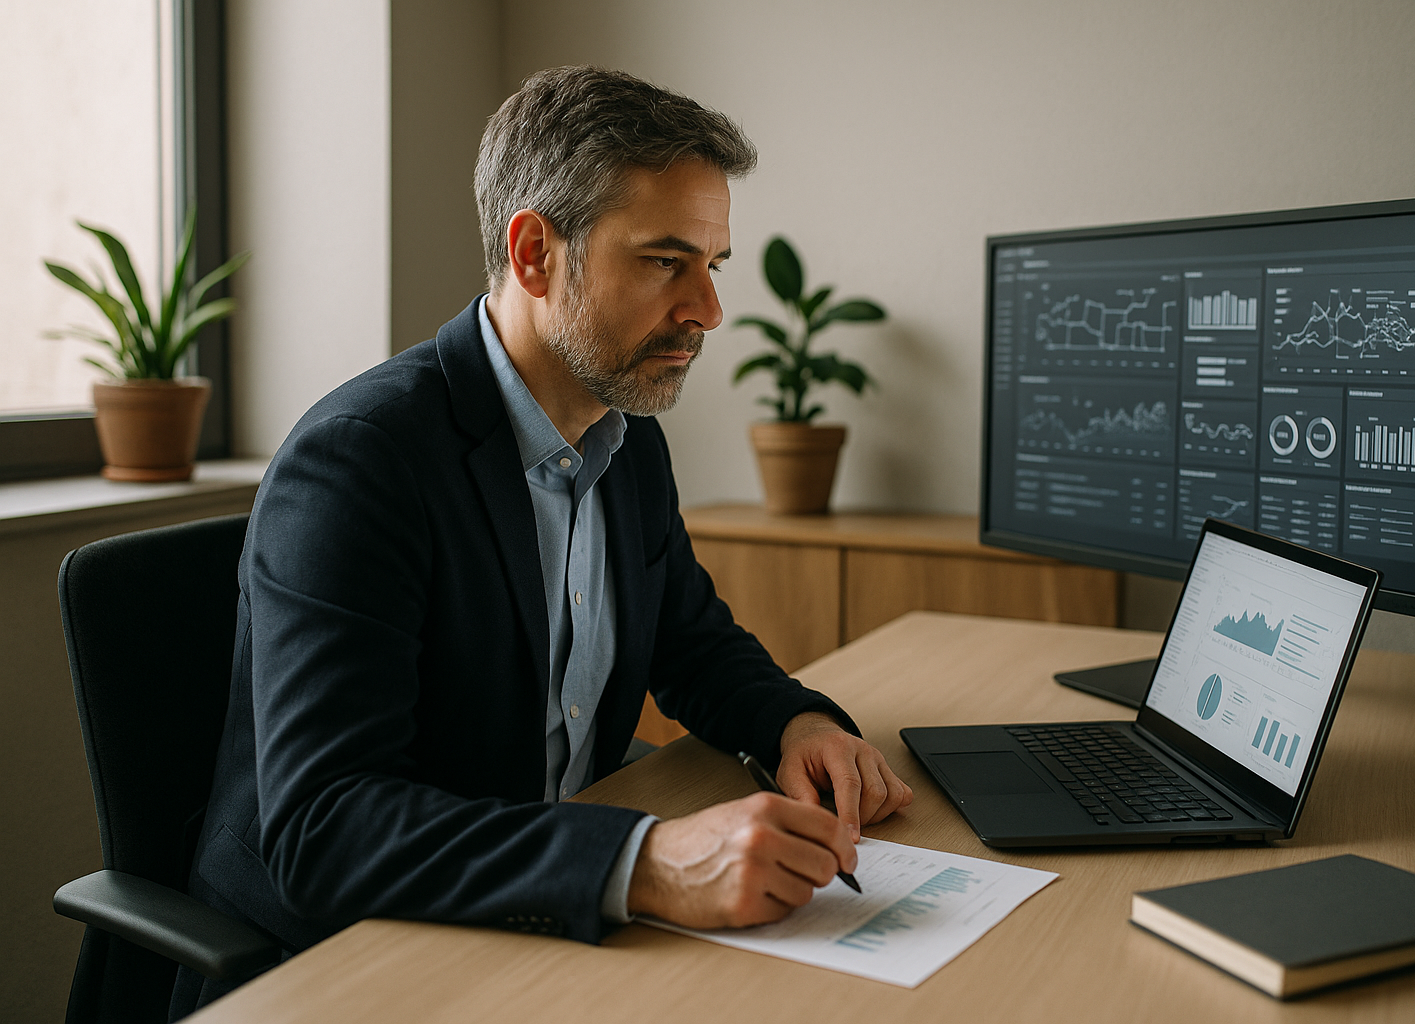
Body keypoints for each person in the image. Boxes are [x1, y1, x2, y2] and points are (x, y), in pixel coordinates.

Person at [174, 66, 911, 1011]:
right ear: (534, 254)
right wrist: (647, 860)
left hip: (535, 915)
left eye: (712, 266)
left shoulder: (623, 434)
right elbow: (328, 827)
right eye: (663, 261)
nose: (707, 311)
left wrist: (794, 722)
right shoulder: (360, 462)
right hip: (349, 958)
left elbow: (689, 638)